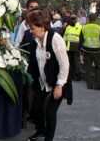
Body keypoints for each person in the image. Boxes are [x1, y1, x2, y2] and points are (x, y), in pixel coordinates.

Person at [26, 8, 70, 141]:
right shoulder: (36, 41)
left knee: (50, 113)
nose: (30, 30)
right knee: (36, 110)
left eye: (32, 28)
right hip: (43, 82)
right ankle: (41, 131)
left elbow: (65, 64)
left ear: (41, 27)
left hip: (58, 83)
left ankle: (48, 139)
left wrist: (59, 85)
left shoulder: (55, 39)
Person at [79, 13, 100, 90]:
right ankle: (97, 85)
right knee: (99, 67)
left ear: (88, 19)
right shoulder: (99, 28)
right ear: (96, 19)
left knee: (88, 68)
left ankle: (89, 85)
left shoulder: (84, 28)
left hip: (86, 50)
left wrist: (81, 51)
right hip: (97, 51)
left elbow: (80, 41)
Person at [63, 15, 82, 82]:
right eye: (71, 19)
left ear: (76, 19)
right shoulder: (68, 27)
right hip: (68, 47)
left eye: (74, 19)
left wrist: (80, 47)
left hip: (76, 47)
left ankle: (78, 75)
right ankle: (71, 75)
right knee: (69, 62)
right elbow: (65, 37)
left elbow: (81, 37)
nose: (72, 20)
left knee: (76, 62)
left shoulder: (79, 27)